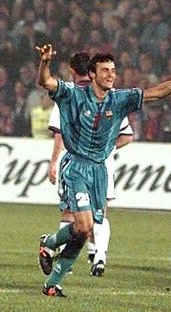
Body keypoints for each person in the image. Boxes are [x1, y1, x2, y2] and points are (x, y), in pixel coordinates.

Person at [37, 43, 171, 296]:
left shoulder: (119, 99)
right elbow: (46, 82)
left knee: (83, 231)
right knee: (84, 227)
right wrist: (45, 62)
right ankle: (53, 270)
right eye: (105, 70)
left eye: (113, 70)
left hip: (99, 170)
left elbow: (156, 93)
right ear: (93, 74)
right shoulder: (72, 94)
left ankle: (51, 259)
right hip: (75, 166)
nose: (110, 74)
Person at [46, 51, 134, 277]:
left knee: (70, 214)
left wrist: (53, 162)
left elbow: (59, 135)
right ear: (92, 72)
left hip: (77, 162)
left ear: (73, 71)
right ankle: (98, 257)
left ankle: (61, 252)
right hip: (102, 163)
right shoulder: (114, 98)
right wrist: (106, 147)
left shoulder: (69, 95)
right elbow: (127, 135)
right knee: (99, 213)